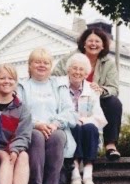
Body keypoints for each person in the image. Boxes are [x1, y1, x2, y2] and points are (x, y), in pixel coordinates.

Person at [52, 27, 122, 161]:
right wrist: (68, 84)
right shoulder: (70, 58)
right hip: (70, 98)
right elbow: (54, 77)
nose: (93, 44)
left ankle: (110, 145)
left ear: (103, 46)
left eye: (97, 41)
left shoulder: (109, 63)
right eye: (90, 41)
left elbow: (114, 88)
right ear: (84, 43)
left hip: (94, 101)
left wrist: (101, 90)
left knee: (114, 103)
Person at [18, 48, 76, 184]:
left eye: (46, 63)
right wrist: (36, 124)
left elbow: (69, 111)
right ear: (30, 65)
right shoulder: (22, 86)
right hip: (31, 128)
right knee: (36, 137)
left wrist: (55, 124)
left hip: (54, 128)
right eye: (37, 62)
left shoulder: (59, 85)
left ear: (51, 66)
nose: (42, 65)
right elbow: (18, 111)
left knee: (57, 137)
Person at [65, 53, 107, 184]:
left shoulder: (92, 90)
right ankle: (75, 173)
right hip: (67, 126)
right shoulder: (61, 87)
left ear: (86, 73)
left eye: (81, 69)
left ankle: (88, 174)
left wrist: (84, 120)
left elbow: (99, 117)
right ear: (68, 70)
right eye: (74, 68)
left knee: (90, 128)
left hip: (86, 126)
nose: (77, 72)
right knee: (75, 128)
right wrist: (73, 120)